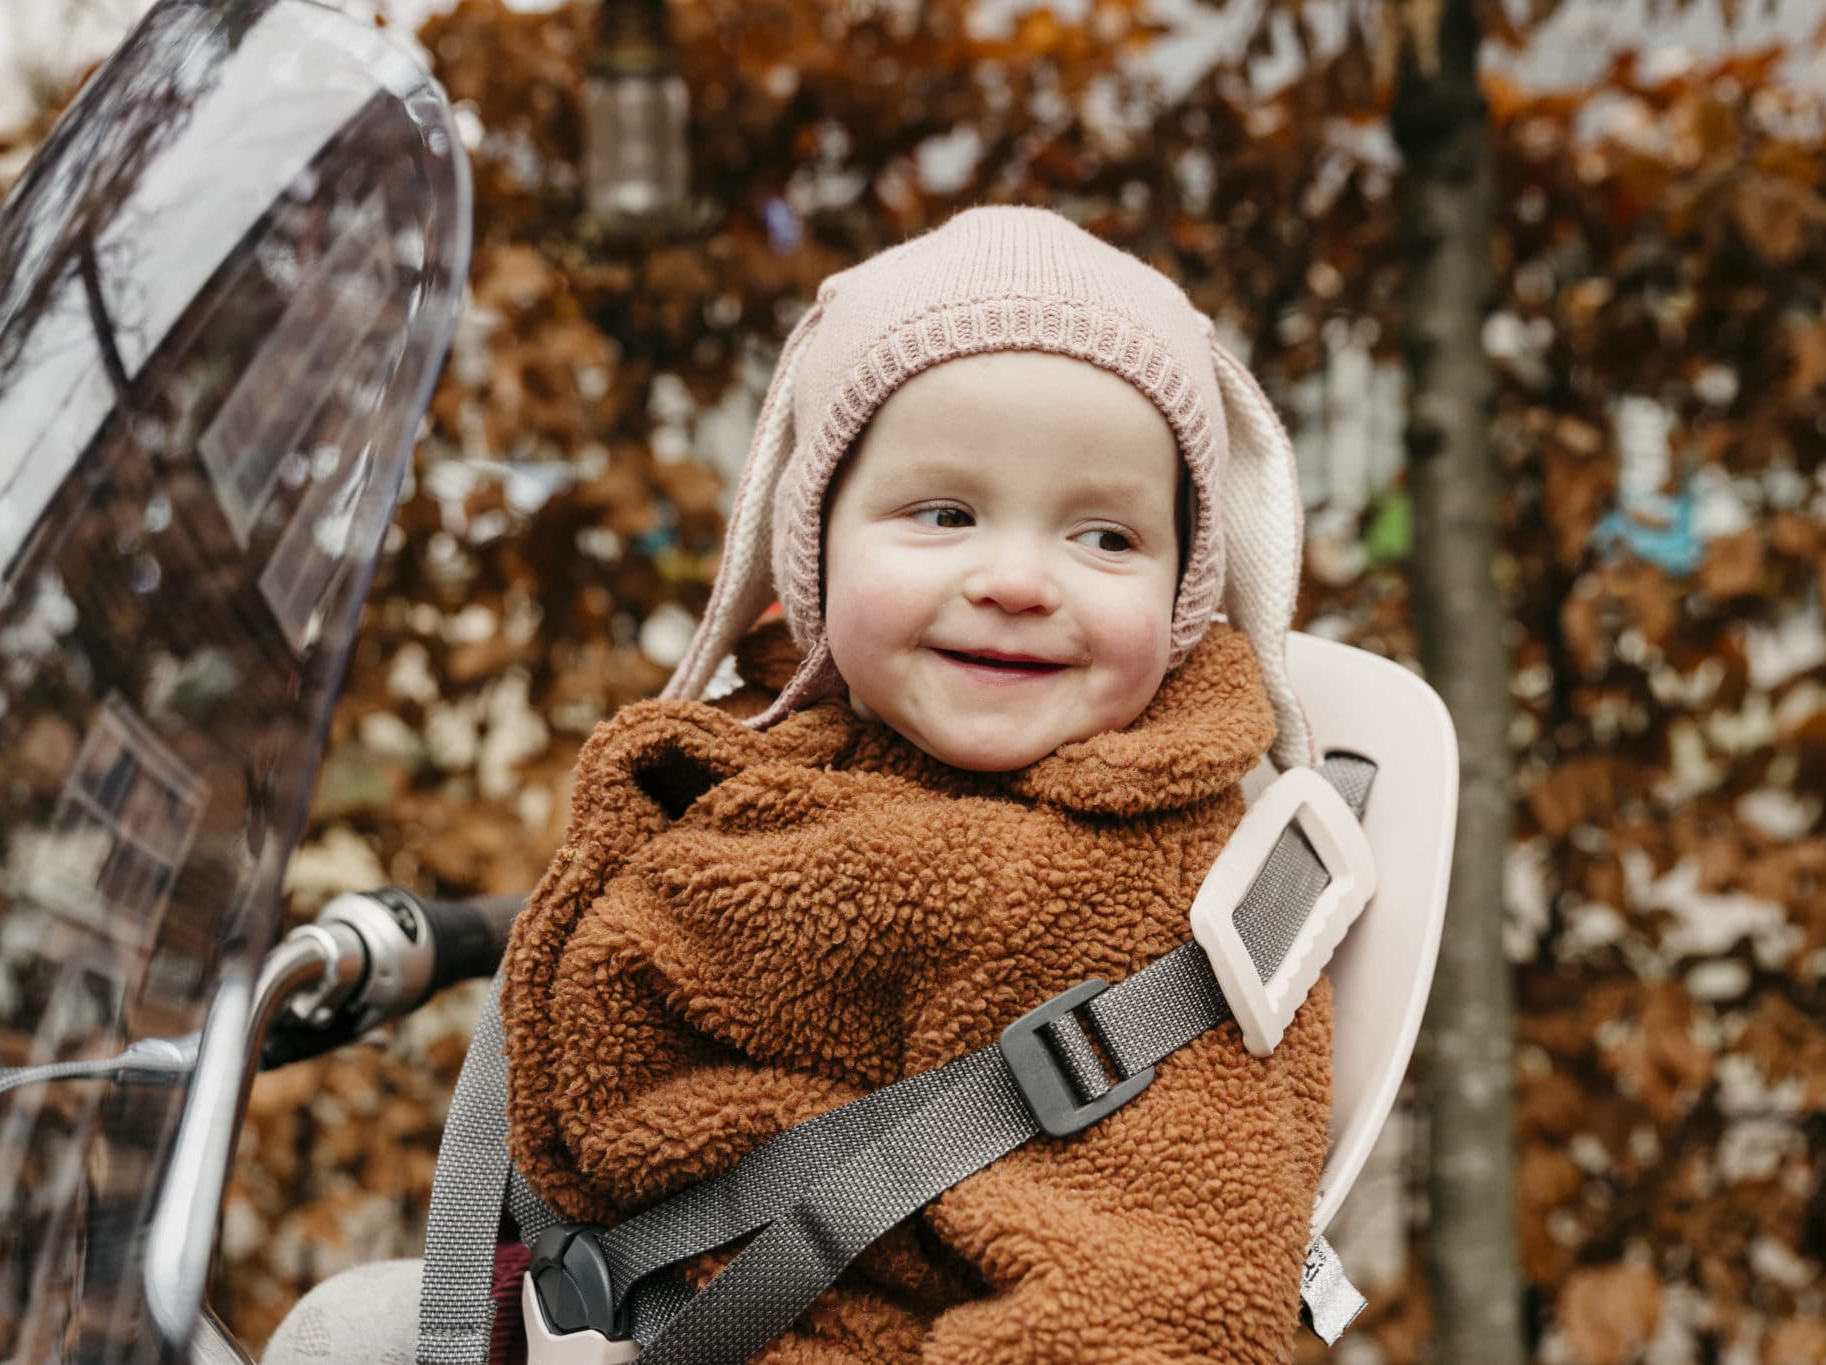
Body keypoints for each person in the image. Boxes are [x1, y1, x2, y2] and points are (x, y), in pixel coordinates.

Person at [499, 204, 1328, 1362]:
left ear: (1188, 586)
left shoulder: (1153, 892)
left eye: (1104, 538)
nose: (1016, 579)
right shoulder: (787, 757)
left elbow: (1160, 1293)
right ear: (814, 547)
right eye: (943, 514)